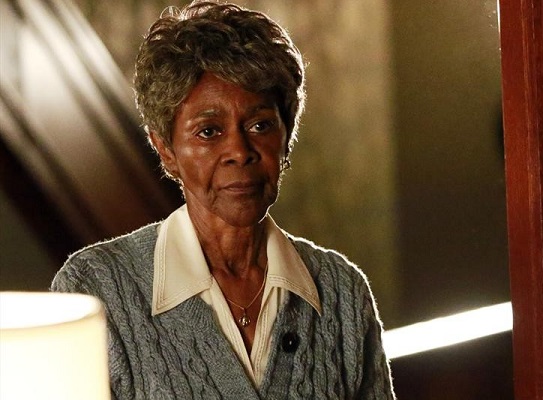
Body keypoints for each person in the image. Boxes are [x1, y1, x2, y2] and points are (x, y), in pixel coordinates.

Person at [51, 1, 396, 399]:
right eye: (209, 131)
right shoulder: (93, 290)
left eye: (260, 125)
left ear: (286, 138)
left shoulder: (342, 293)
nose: (240, 151)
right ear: (165, 149)